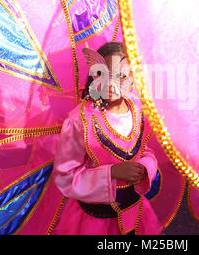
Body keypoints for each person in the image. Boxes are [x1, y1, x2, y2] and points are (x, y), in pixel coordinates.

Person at [52, 42, 161, 235]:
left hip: (136, 214)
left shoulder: (138, 110)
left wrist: (144, 166)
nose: (110, 84)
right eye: (104, 74)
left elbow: (145, 150)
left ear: (133, 78)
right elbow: (65, 175)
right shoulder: (79, 121)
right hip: (94, 223)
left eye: (121, 76)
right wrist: (111, 173)